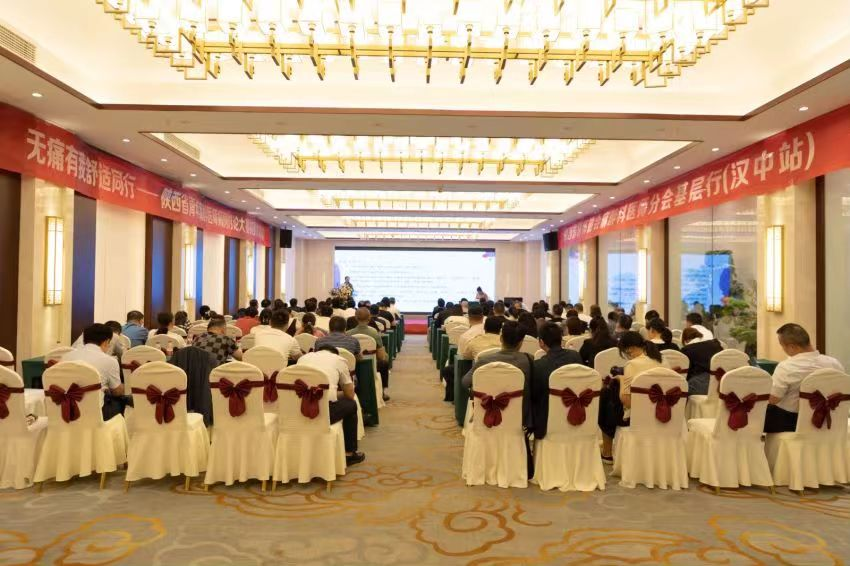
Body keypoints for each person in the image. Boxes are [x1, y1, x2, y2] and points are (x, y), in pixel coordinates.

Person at [764, 323, 845, 433]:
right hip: (828, 422)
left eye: (782, 346)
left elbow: (773, 399)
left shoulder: (786, 367)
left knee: (755, 415)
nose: (783, 349)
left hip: (792, 424)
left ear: (792, 346)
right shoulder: (834, 364)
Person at [597, 332, 662, 462]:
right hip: (660, 412)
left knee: (605, 397)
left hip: (636, 417)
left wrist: (621, 379)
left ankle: (607, 452)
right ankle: (607, 449)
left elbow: (626, 401)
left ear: (629, 349)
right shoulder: (660, 360)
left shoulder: (632, 364)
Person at [296, 344, 365, 465]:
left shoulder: (303, 359)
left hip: (298, 411)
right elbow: (350, 394)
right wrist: (334, 393)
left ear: (317, 351)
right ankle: (349, 453)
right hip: (323, 413)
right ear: (335, 354)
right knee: (351, 404)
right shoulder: (339, 360)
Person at [62, 323, 127, 420]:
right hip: (96, 412)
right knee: (120, 400)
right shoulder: (109, 361)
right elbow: (117, 392)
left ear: (84, 339)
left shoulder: (65, 357)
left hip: (65, 408)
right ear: (107, 341)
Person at [529, 322, 583, 440]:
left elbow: (534, 396)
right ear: (561, 339)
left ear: (541, 342)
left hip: (548, 422)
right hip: (576, 413)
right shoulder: (576, 356)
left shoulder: (538, 366)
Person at [346, 307, 391, 401]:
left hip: (352, 367)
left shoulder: (348, 334)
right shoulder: (374, 333)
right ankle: (382, 392)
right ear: (369, 318)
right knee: (384, 363)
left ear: (356, 318)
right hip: (371, 366)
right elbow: (381, 356)